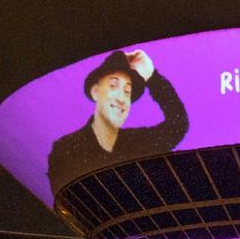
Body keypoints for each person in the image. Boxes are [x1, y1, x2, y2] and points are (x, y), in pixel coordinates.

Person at [47, 49, 188, 195]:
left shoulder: (137, 143)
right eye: (113, 86)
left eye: (127, 91)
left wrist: (152, 76)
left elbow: (177, 125)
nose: (121, 99)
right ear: (95, 91)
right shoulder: (66, 149)